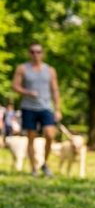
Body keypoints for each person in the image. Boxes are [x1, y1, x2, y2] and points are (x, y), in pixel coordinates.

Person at [11, 42, 62, 177]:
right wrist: (27, 92)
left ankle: (45, 163)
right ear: (29, 53)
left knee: (50, 135)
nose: (35, 54)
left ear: (42, 54)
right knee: (31, 138)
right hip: (28, 107)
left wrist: (58, 109)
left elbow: (55, 90)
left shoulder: (50, 70)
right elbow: (15, 86)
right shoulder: (22, 68)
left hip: (46, 107)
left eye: (38, 52)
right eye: (33, 52)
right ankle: (33, 168)